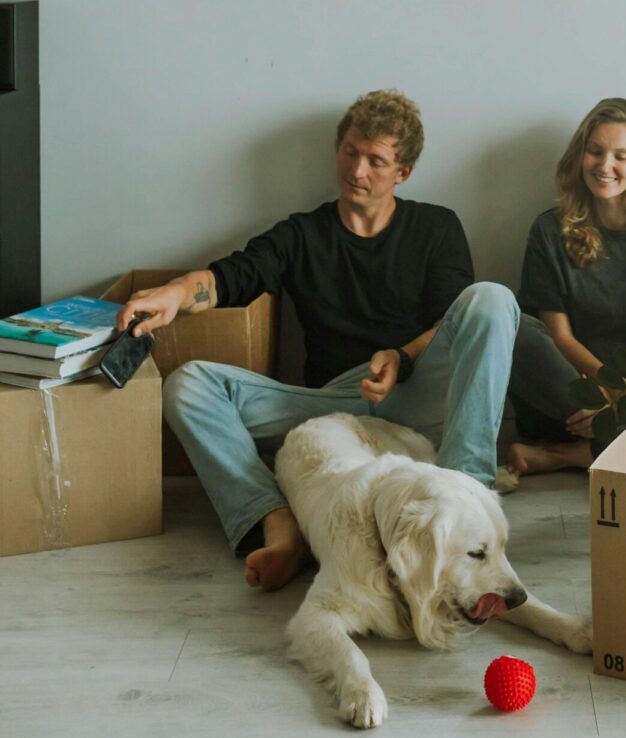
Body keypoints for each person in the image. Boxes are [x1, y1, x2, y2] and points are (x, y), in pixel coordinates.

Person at [116, 90, 519, 591]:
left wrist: (401, 357)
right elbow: (234, 275)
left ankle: (468, 497)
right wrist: (176, 295)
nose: (357, 170)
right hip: (331, 411)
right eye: (350, 152)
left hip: (412, 390)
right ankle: (276, 522)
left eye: (376, 160)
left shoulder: (436, 226)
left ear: (404, 172)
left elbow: (453, 323)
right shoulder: (303, 234)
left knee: (493, 299)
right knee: (187, 385)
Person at [507, 97, 626, 475]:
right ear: (580, 155)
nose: (605, 166)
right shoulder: (550, 231)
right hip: (573, 396)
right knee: (513, 330)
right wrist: (607, 393)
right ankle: (607, 446)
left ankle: (571, 455)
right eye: (595, 151)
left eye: (620, 156)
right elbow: (558, 336)